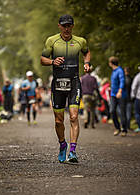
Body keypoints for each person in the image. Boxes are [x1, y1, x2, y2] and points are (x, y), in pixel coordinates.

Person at [41, 14, 91, 163]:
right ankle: (63, 144)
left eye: (69, 25)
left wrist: (87, 63)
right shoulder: (52, 40)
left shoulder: (80, 41)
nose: (67, 28)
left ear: (72, 26)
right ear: (59, 26)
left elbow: (86, 52)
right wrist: (52, 61)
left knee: (74, 117)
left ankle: (73, 151)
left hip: (74, 81)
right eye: (64, 25)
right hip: (58, 83)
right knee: (58, 121)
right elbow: (42, 59)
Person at [109, 56, 127, 137]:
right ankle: (117, 128)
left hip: (120, 94)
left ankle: (124, 130)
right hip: (113, 94)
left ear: (111, 63)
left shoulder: (120, 70)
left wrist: (120, 91)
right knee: (112, 111)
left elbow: (122, 81)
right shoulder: (113, 71)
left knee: (122, 112)